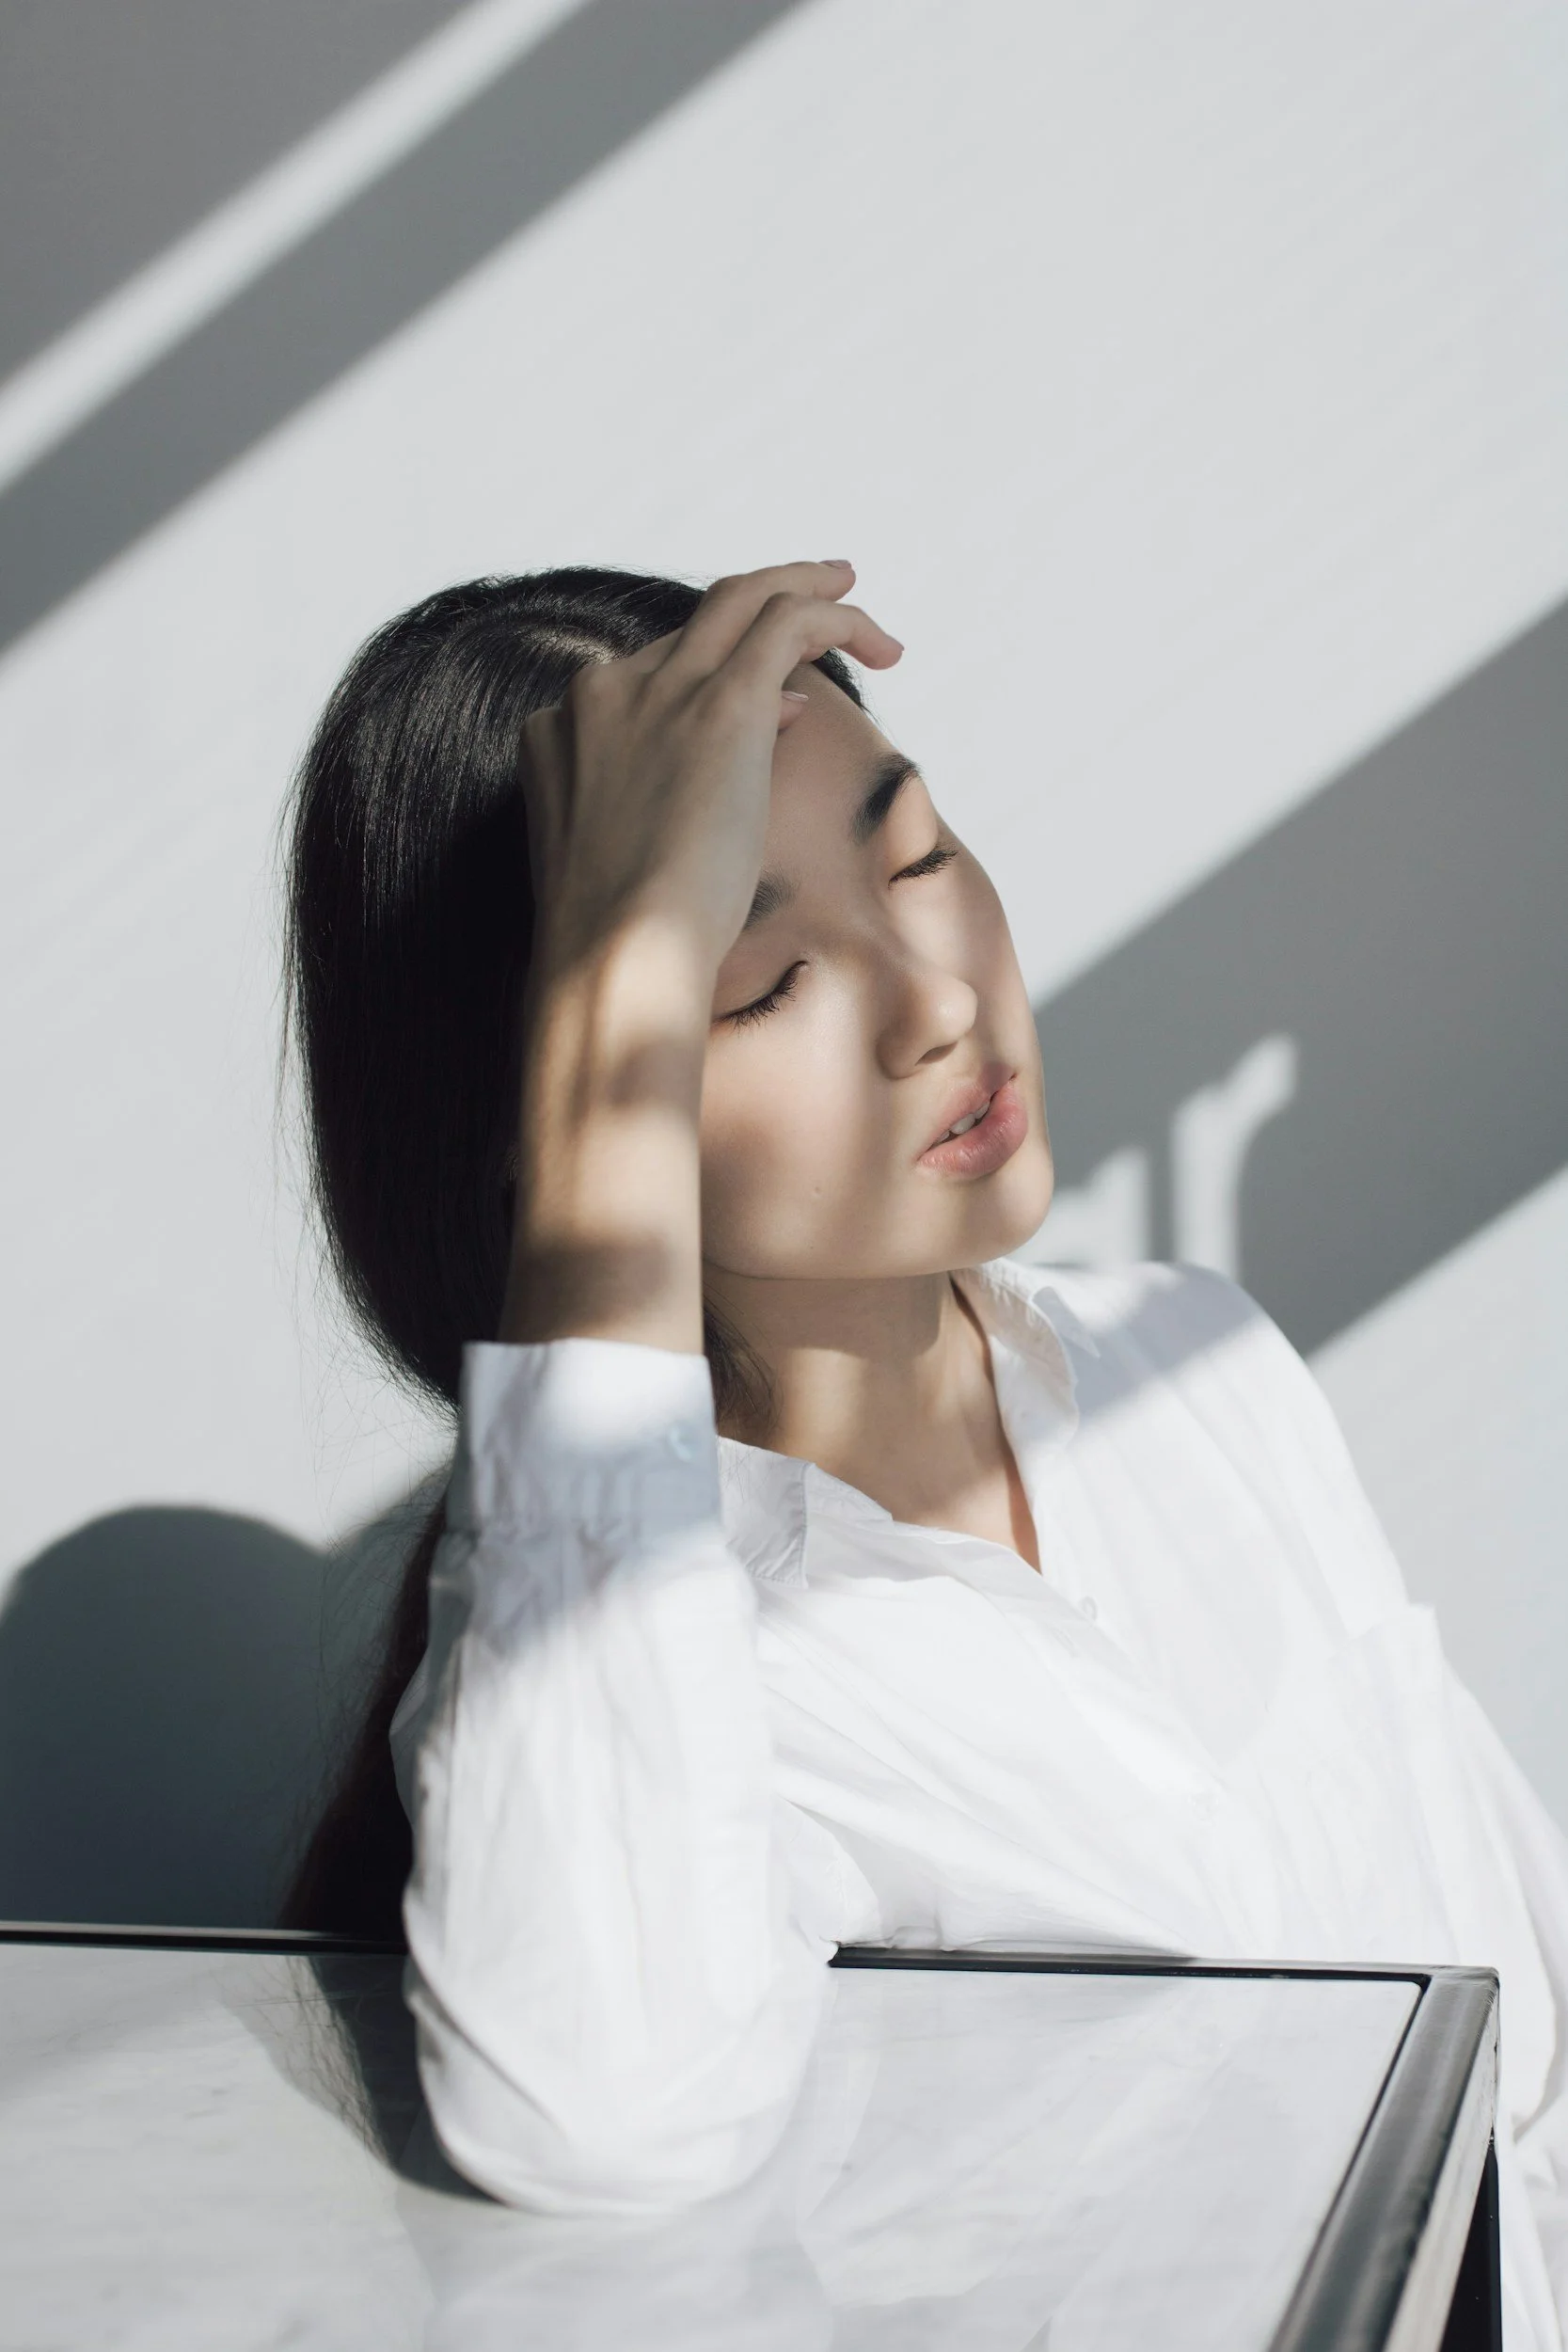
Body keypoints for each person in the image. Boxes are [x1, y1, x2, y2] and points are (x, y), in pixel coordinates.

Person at [284, 562, 1568, 2343]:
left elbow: (1517, 2023)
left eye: (917, 857)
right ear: (566, 1112)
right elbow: (602, 2111)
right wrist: (607, 1023)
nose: (935, 1001)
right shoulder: (659, 1663)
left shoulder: (1195, 1367)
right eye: (755, 983)